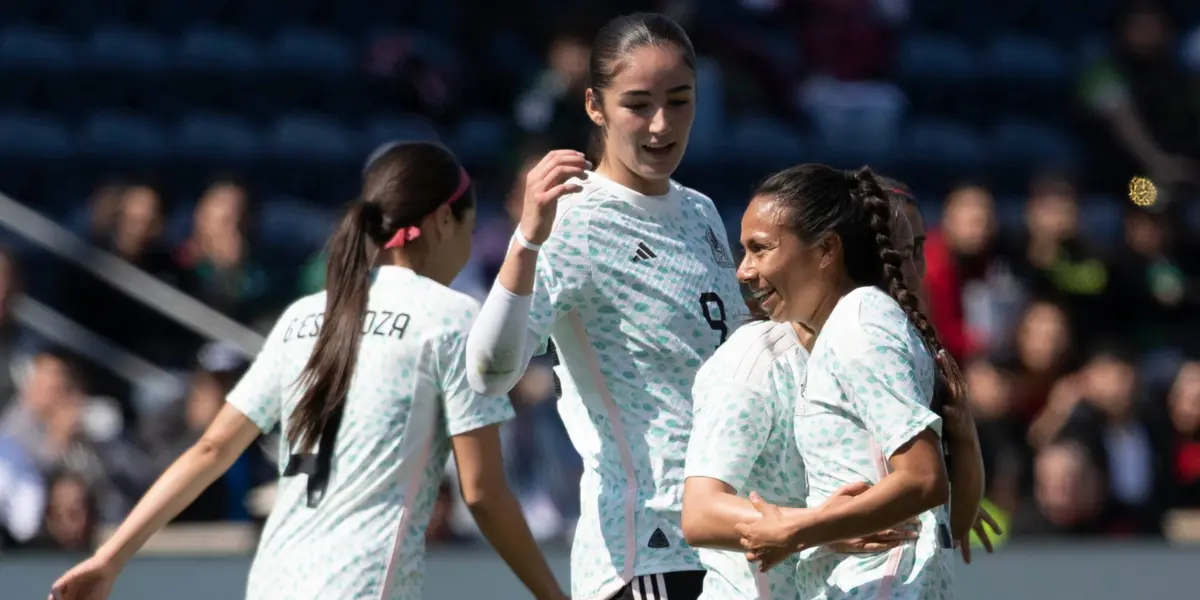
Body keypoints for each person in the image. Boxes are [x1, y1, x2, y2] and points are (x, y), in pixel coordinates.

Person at [48, 142, 566, 600]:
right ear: (442, 222)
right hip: (361, 584)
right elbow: (481, 492)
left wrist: (110, 558)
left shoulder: (304, 316)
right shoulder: (450, 318)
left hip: (273, 581)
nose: (468, 246)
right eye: (470, 229)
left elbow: (210, 449)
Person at [465, 12, 745, 600]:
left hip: (730, 540)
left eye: (680, 100)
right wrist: (527, 240)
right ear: (595, 106)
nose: (661, 124)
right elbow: (489, 374)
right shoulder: (576, 219)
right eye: (637, 103)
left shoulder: (701, 212)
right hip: (645, 550)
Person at [732, 164, 974, 599]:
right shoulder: (857, 325)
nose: (744, 271)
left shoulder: (859, 325)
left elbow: (922, 479)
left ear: (826, 249)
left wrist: (798, 528)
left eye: (761, 249)